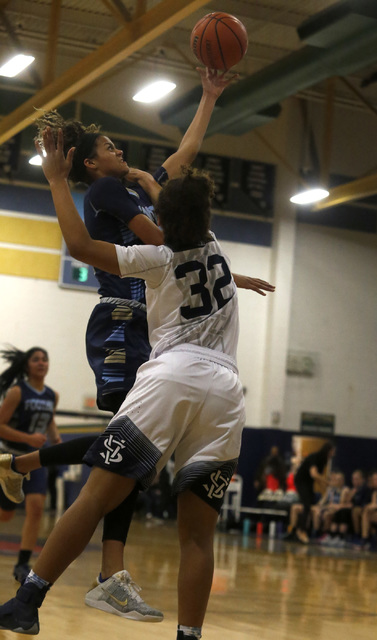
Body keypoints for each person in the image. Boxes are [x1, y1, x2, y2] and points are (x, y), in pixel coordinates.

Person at [11, 66, 273, 623]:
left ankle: (38, 583)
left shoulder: (160, 246)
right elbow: (181, 182)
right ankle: (154, 607)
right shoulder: (200, 238)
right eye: (107, 144)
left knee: (105, 479)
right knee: (195, 531)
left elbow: (91, 242)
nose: (117, 148)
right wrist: (207, 98)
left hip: (167, 359)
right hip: (213, 380)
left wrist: (55, 178)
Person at [0, 346, 61, 583]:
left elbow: (49, 420)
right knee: (5, 515)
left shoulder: (52, 395)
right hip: (11, 458)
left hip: (35, 459)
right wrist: (27, 438)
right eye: (36, 359)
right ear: (27, 365)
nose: (41, 363)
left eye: (45, 359)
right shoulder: (17, 391)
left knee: (36, 507)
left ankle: (23, 563)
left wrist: (56, 440)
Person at [291, 441, 336, 544]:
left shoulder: (323, 461)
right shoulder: (315, 457)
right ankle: (300, 531)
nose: (333, 454)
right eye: (332, 451)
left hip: (308, 483)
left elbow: (317, 478)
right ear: (328, 451)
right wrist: (327, 483)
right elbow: (314, 474)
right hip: (301, 481)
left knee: (309, 504)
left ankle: (299, 530)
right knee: (306, 505)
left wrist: (324, 486)